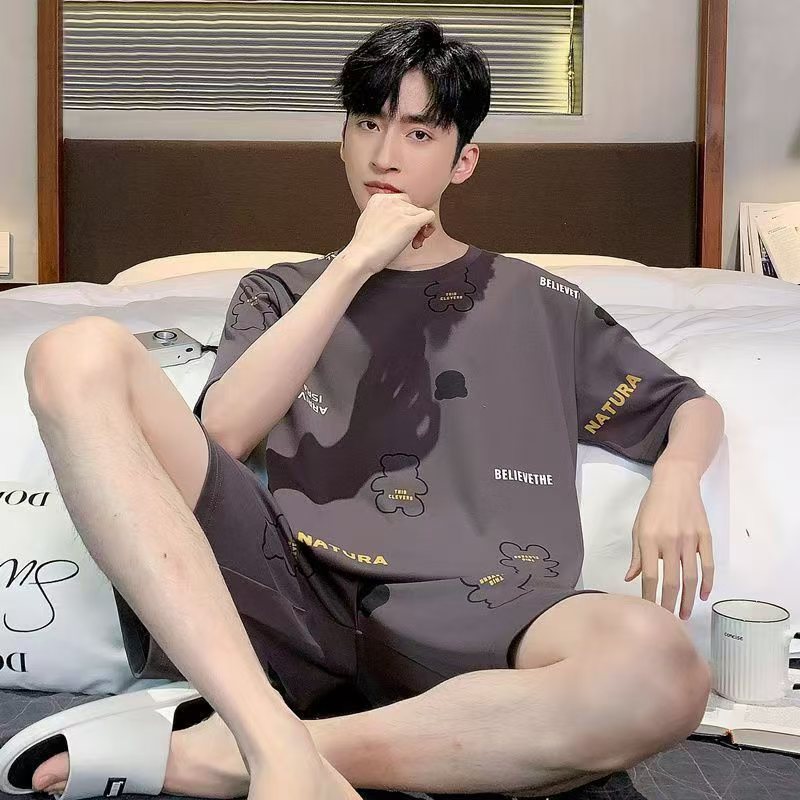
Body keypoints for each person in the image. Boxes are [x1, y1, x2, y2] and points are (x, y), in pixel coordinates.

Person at [23, 18, 724, 800]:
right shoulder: (280, 292)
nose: (384, 155)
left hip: (487, 611)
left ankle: (246, 754)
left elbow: (685, 406)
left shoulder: (537, 300)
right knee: (73, 352)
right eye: (367, 124)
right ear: (343, 141)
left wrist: (677, 478)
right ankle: (268, 733)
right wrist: (355, 264)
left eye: (419, 133)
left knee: (664, 669)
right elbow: (223, 432)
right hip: (292, 593)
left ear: (463, 161)